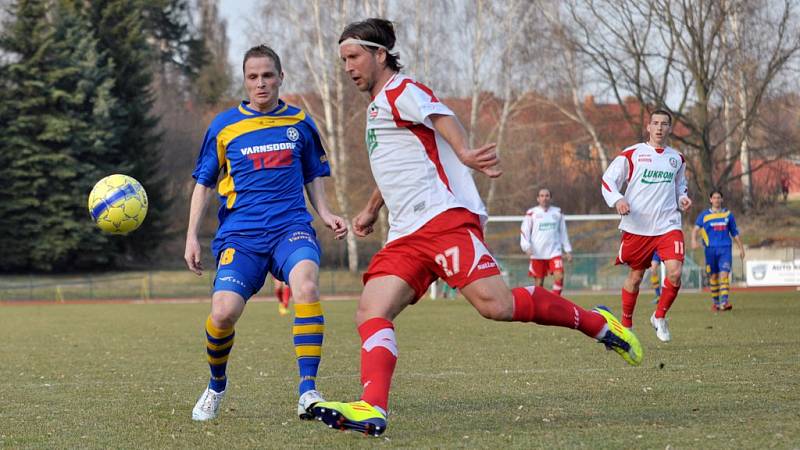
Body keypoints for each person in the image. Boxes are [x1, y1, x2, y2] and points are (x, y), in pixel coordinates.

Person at [310, 18, 642, 437]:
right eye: (343, 60)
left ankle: (599, 324)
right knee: (370, 310)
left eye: (353, 57)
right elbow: (402, 165)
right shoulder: (378, 107)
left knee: (496, 307)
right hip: (407, 234)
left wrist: (464, 151)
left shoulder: (403, 90)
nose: (347, 67)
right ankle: (372, 407)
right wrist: (372, 208)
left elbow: (443, 117)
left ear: (379, 55)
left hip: (443, 220)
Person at [184, 45, 347, 421]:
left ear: (280, 77)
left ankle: (308, 391)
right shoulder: (223, 126)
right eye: (253, 77)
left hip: (291, 227)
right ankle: (216, 385)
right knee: (223, 314)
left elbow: (313, 174)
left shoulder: (301, 122)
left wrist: (323, 212)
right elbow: (204, 183)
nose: (261, 83)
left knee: (306, 286)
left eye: (268, 75)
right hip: (240, 236)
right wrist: (192, 235)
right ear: (244, 80)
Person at [601, 109, 692, 342]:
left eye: (664, 124)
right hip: (637, 226)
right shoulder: (632, 154)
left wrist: (682, 198)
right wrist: (618, 199)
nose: (660, 127)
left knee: (675, 272)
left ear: (670, 129)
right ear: (648, 127)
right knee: (636, 277)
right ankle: (626, 324)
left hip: (668, 224)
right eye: (655, 123)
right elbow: (608, 181)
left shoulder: (677, 158)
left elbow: (680, 187)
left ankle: (659, 316)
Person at [691, 191, 745, 311]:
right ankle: (716, 303)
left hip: (725, 249)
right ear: (710, 200)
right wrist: (694, 241)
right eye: (714, 198)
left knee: (724, 274)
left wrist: (741, 248)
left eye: (718, 198)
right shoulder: (704, 215)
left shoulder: (728, 215)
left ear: (722, 199)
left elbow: (735, 233)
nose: (716, 200)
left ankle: (724, 302)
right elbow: (695, 229)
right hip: (710, 250)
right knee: (714, 276)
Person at [520, 188, 573, 296]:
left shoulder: (558, 212)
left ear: (550, 198)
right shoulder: (532, 213)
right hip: (537, 253)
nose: (544, 198)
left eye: (547, 195)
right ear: (538, 198)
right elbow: (524, 231)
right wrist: (526, 246)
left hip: (554, 251)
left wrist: (567, 250)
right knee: (539, 284)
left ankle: (554, 300)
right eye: (542, 196)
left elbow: (563, 232)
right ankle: (540, 307)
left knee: (560, 276)